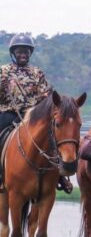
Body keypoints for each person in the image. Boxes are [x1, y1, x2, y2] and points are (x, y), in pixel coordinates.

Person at [0, 33, 72, 193]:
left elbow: (44, 94)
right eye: (19, 51)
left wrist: (50, 96)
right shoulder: (3, 71)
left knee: (52, 138)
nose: (23, 54)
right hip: (10, 113)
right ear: (13, 53)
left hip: (33, 115)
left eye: (26, 51)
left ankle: (60, 176)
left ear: (30, 53)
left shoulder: (37, 73)